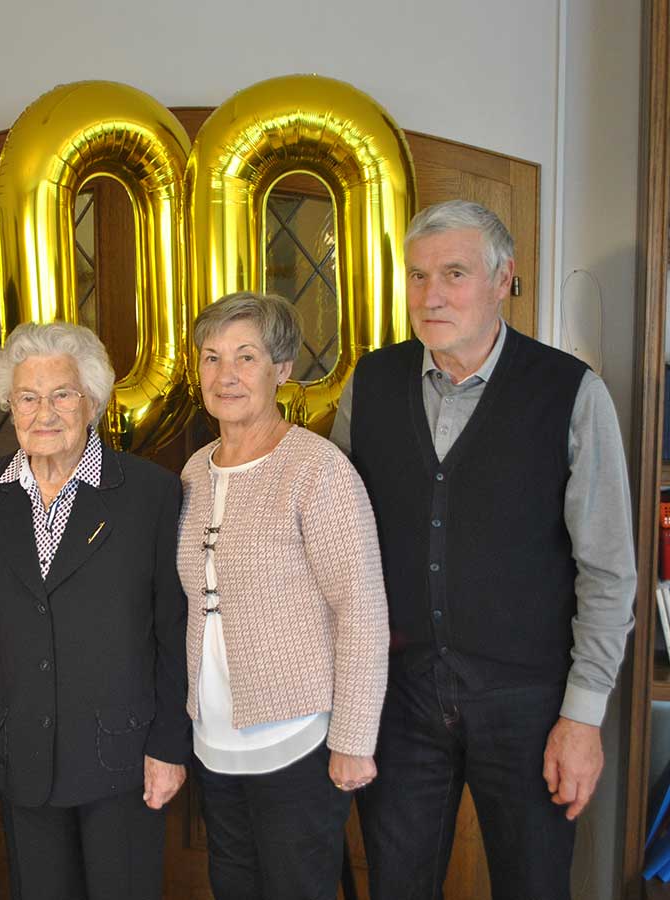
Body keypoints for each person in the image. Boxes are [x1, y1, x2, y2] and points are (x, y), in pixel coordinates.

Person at [329, 199, 638, 900]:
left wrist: (582, 719)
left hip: (530, 704)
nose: (430, 295)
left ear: (503, 281)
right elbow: (333, 546)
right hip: (399, 699)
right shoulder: (370, 385)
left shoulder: (570, 393)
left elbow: (609, 571)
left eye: (455, 273)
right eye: (416, 275)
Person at [0, 322, 190, 900]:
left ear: (93, 401)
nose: (44, 412)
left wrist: (168, 746)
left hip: (122, 752)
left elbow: (172, 628)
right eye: (27, 397)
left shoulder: (149, 493)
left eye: (62, 394)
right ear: (10, 404)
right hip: (22, 747)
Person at [177, 292, 389, 899]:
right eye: (212, 357)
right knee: (233, 885)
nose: (226, 375)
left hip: (295, 740)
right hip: (213, 739)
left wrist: (353, 739)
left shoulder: (316, 468)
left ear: (283, 369)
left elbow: (361, 609)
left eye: (246, 357)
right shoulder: (194, 470)